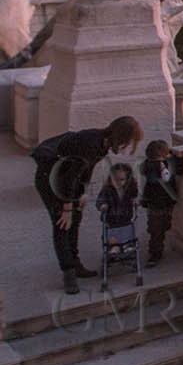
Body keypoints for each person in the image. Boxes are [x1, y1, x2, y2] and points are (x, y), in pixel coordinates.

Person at [32, 116, 143, 294]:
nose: (127, 146)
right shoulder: (90, 144)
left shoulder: (101, 143)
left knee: (75, 220)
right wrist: (67, 207)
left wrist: (82, 192)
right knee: (62, 223)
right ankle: (68, 273)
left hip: (68, 180)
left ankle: (75, 264)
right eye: (127, 142)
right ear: (121, 137)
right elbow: (68, 177)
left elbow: (86, 169)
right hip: (51, 180)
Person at [139, 140, 183, 265]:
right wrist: (173, 160)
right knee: (156, 228)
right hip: (156, 202)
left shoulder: (153, 164)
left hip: (163, 202)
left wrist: (174, 157)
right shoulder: (152, 166)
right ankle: (155, 254)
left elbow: (179, 170)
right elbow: (177, 171)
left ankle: (157, 248)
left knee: (163, 225)